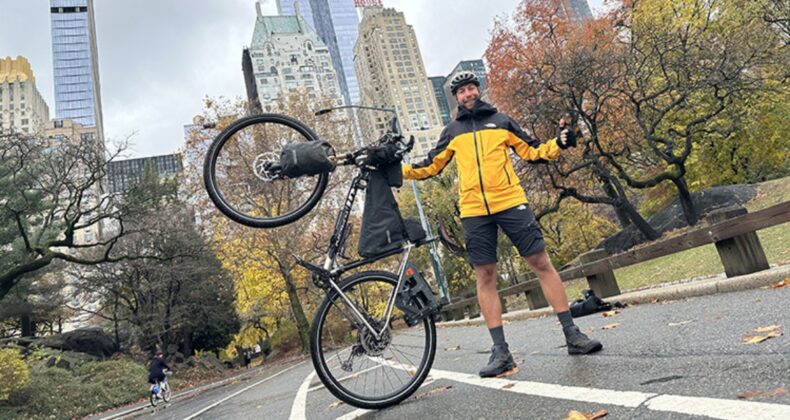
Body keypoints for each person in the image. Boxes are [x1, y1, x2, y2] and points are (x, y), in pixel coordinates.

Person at [402, 71, 602, 378]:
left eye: (472, 88)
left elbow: (532, 151)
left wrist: (560, 143)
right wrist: (396, 170)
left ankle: (572, 334)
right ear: (456, 97)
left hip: (510, 201)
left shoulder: (502, 121)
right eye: (462, 91)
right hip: (473, 210)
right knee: (485, 275)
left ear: (478, 91)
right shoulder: (452, 131)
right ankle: (501, 352)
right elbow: (430, 166)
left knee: (540, 262)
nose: (468, 93)